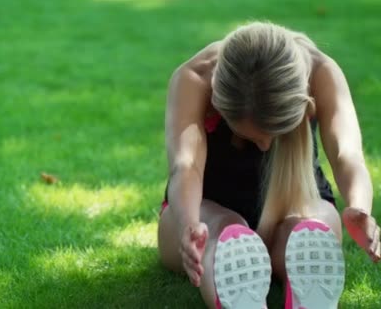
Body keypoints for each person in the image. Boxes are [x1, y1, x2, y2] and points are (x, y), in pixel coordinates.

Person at [157, 21, 381, 308]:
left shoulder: (321, 72)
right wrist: (189, 224)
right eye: (246, 135)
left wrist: (359, 206)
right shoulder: (194, 79)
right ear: (219, 102)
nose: (264, 146)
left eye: (275, 135)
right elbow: (186, 166)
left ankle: (301, 281)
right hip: (206, 207)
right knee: (221, 232)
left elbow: (347, 154)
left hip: (294, 205)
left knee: (311, 228)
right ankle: (230, 262)